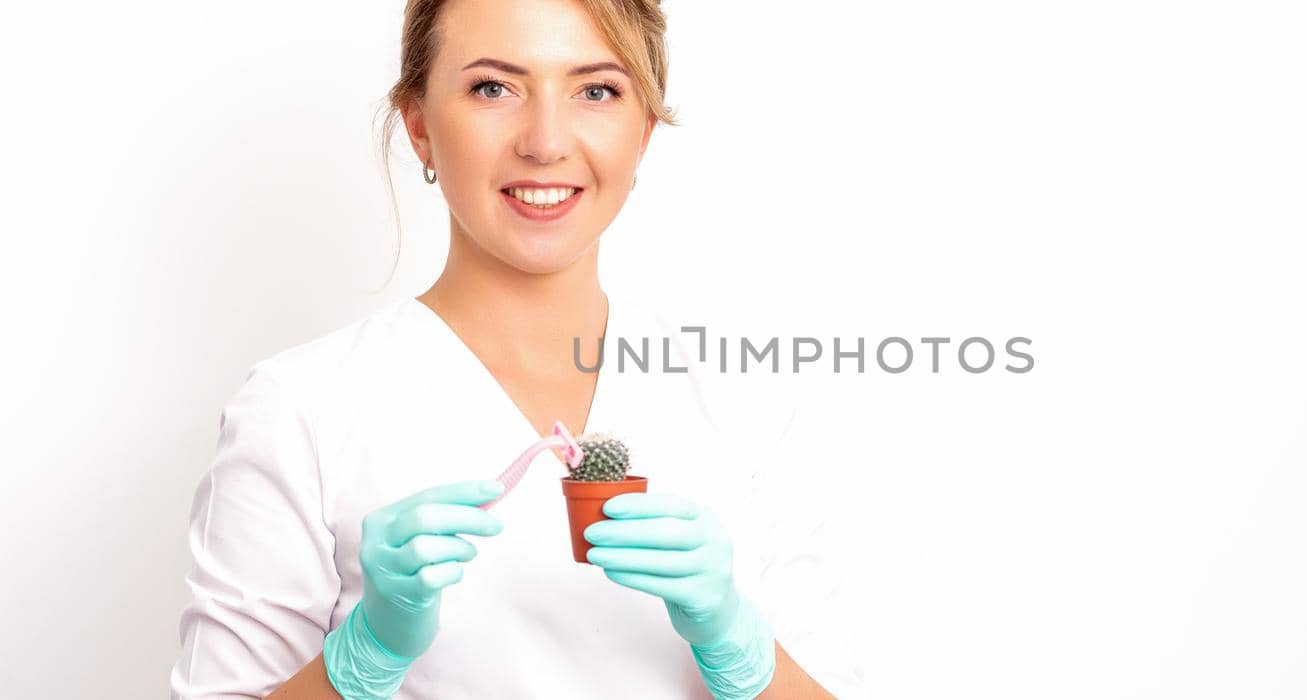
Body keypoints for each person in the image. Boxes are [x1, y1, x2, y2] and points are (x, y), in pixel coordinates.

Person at [169, 0, 864, 697]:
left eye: (597, 90)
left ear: (643, 131)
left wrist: (738, 647)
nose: (546, 141)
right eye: (492, 87)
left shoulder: (745, 404)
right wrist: (364, 658)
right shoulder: (301, 410)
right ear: (420, 126)